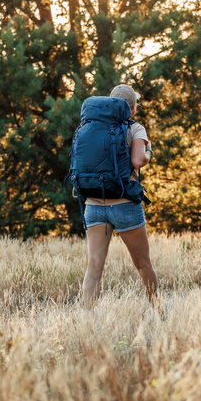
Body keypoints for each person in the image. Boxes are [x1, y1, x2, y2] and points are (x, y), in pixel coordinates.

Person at [80, 84, 157, 308]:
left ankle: (86, 318)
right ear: (132, 109)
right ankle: (159, 311)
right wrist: (149, 151)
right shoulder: (135, 128)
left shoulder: (91, 126)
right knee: (143, 264)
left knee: (94, 266)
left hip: (94, 204)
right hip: (124, 205)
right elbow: (138, 161)